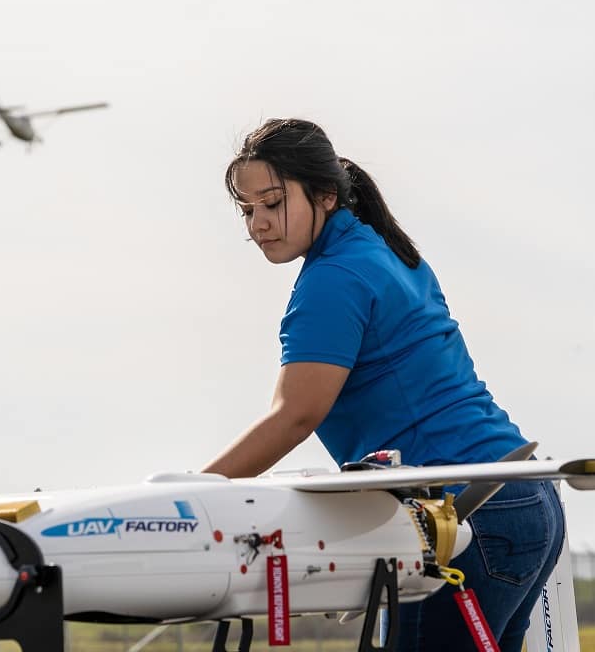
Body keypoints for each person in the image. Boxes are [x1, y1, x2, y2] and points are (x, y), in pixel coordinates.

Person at [202, 118, 565, 652]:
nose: (258, 223)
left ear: (325, 195)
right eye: (247, 209)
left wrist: (190, 492)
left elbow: (294, 415)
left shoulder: (335, 276)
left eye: (273, 203)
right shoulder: (386, 252)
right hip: (522, 494)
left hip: (465, 515)